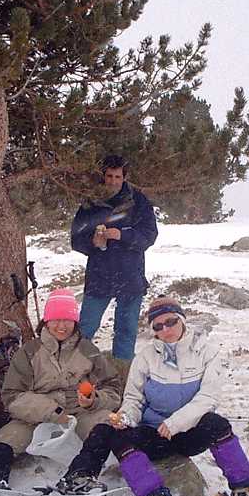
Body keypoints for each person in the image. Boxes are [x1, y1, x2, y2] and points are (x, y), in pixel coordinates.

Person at [55, 296, 249, 496]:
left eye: (171, 322)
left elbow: (208, 398)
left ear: (182, 320)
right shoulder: (146, 356)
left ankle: (244, 491)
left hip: (189, 433)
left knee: (217, 424)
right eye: (158, 326)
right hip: (154, 434)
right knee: (110, 430)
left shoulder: (207, 352)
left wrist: (175, 423)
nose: (165, 330)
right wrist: (125, 418)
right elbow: (134, 400)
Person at [0, 288, 122, 487]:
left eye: (67, 320)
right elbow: (12, 396)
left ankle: (80, 476)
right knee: (5, 439)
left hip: (81, 412)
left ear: (75, 322)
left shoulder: (88, 351)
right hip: (35, 416)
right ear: (46, 321)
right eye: (56, 320)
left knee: (107, 428)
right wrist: (53, 411)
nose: (62, 326)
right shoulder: (29, 352)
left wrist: (94, 400)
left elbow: (113, 388)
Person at [71, 154, 158, 362]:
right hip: (99, 276)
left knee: (126, 333)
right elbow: (75, 238)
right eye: (109, 176)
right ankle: (73, 372)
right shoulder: (91, 202)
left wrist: (123, 235)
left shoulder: (138, 201)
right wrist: (93, 242)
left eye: (118, 177)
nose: (113, 181)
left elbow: (149, 235)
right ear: (103, 176)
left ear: (124, 177)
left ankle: (122, 376)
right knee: (85, 330)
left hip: (130, 276)